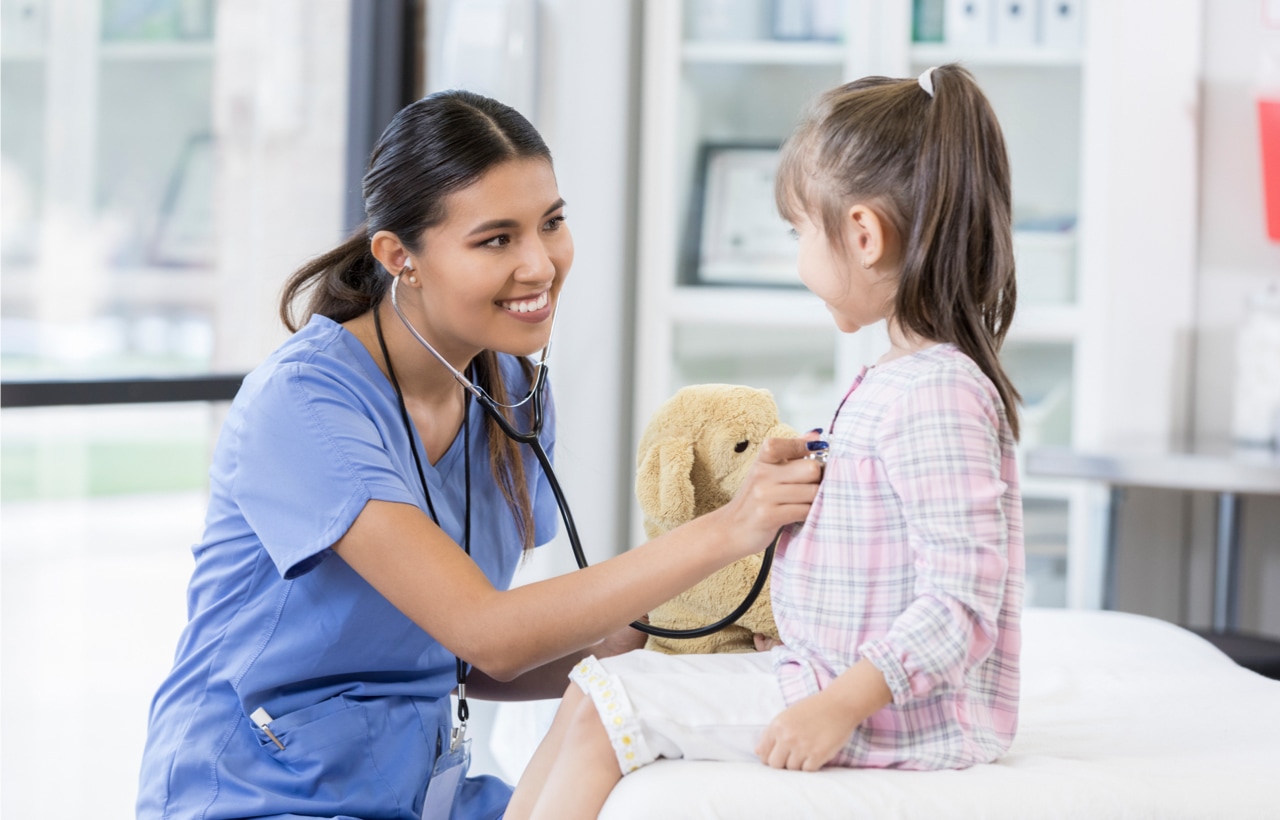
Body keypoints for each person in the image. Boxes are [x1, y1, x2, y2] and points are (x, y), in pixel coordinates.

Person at [135, 89, 822, 820]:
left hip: (419, 791)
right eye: (496, 239)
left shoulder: (513, 394)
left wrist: (681, 634)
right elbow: (489, 635)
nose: (540, 265)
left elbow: (457, 662)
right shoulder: (306, 406)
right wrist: (727, 530)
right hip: (259, 793)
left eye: (551, 224)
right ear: (402, 257)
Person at [506, 63, 1026, 820]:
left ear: (862, 234)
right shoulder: (902, 378)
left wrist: (837, 705)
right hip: (838, 681)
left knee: (604, 703)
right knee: (593, 686)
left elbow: (962, 604)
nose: (796, 253)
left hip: (896, 713)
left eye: (798, 230)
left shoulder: (939, 393)